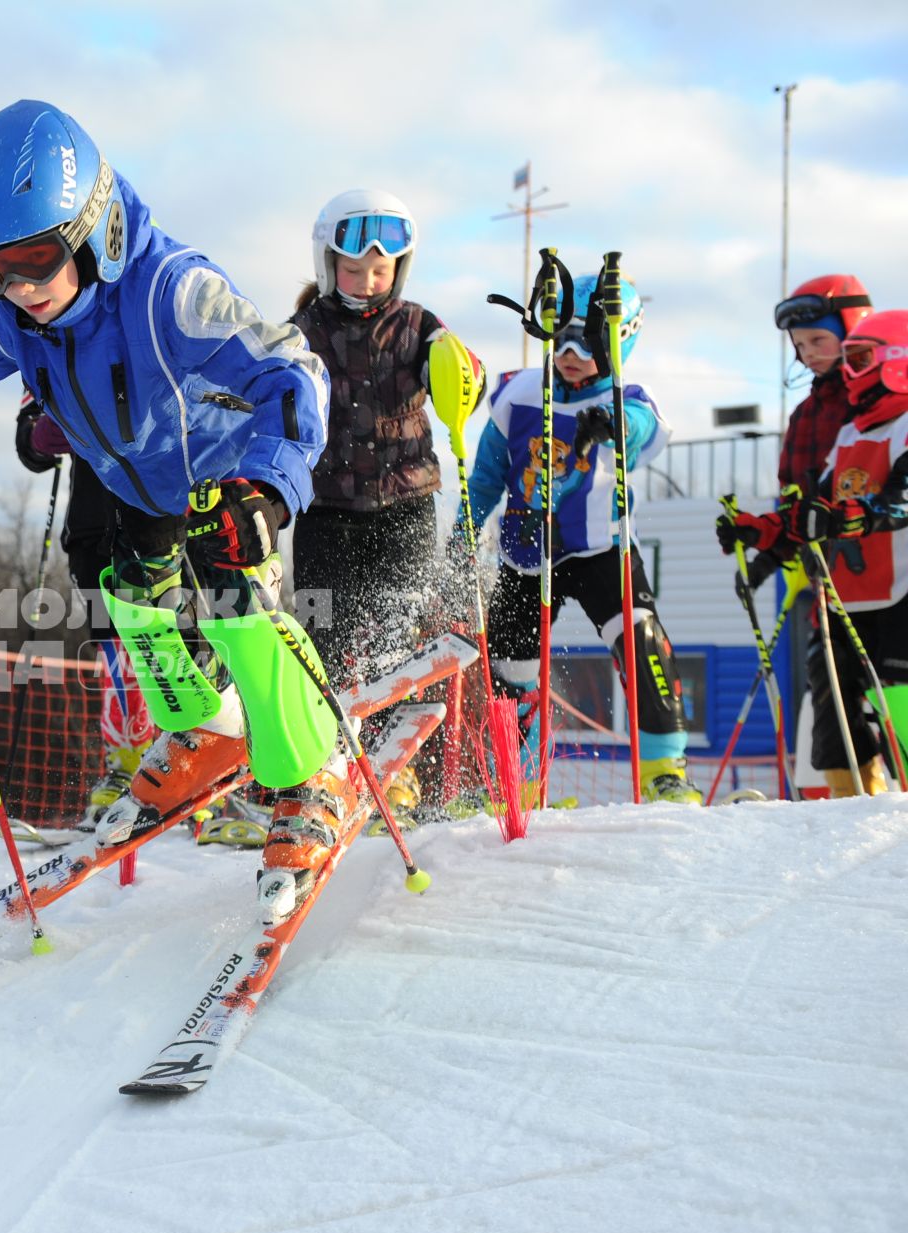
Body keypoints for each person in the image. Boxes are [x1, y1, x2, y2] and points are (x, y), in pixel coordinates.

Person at [0, 100, 352, 925]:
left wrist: (267, 490)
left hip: (222, 477)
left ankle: (305, 774)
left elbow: (297, 379)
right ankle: (207, 731)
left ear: (94, 229)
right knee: (125, 597)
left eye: (36, 258)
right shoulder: (3, 311)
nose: (19, 287)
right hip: (133, 480)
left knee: (236, 602)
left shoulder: (172, 291)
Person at [468, 264, 701, 804]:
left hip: (603, 551)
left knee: (641, 641)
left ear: (620, 343)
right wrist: (464, 531)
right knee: (511, 669)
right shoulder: (517, 394)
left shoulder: (627, 396)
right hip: (528, 556)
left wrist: (614, 422)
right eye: (562, 338)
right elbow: (485, 476)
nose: (571, 354)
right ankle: (516, 784)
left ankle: (664, 770)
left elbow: (641, 430)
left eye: (587, 341)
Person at [288, 189, 479, 817]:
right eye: (353, 268)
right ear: (327, 263)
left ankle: (395, 773)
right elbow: (264, 385)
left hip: (404, 509)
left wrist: (459, 373)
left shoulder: (419, 325)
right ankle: (321, 770)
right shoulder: (305, 330)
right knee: (324, 638)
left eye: (381, 271)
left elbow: (460, 375)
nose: (368, 282)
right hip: (326, 511)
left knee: (395, 639)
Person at [725, 308, 908, 797]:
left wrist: (859, 516)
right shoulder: (850, 433)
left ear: (898, 360)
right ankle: (852, 809)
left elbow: (901, 497)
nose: (849, 369)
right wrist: (760, 534)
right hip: (846, 599)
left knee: (901, 706)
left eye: (860, 358)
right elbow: (813, 510)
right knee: (830, 707)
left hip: (901, 596)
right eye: (847, 358)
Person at [13, 390, 154, 828]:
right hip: (92, 528)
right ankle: (124, 765)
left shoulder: (151, 327)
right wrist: (43, 435)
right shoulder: (50, 344)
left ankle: (181, 761)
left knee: (167, 646)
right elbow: (28, 440)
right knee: (114, 652)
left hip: (156, 514)